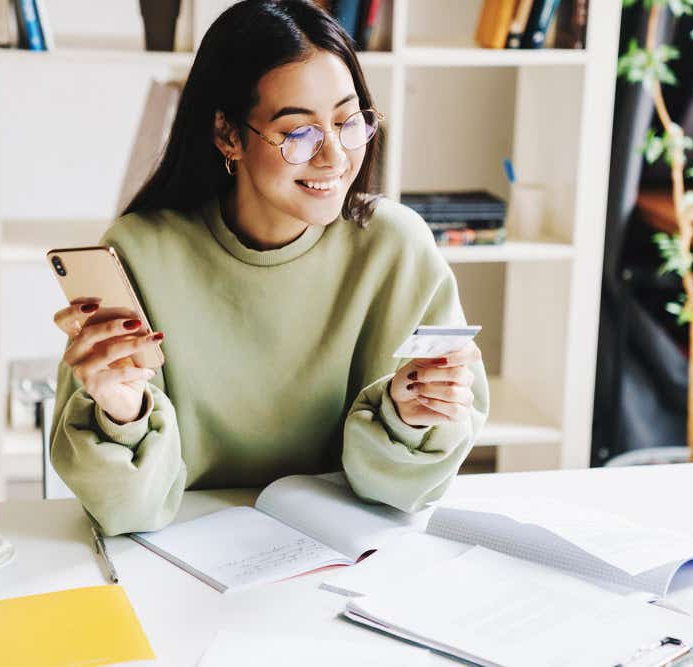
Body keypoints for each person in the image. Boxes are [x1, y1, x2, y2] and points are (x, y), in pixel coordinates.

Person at [49, 0, 489, 535]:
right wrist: (122, 413)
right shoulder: (140, 252)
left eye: (349, 121)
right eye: (298, 132)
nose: (334, 157)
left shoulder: (397, 248)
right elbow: (128, 512)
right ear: (228, 135)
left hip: (347, 554)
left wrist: (411, 418)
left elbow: (400, 495)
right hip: (180, 555)